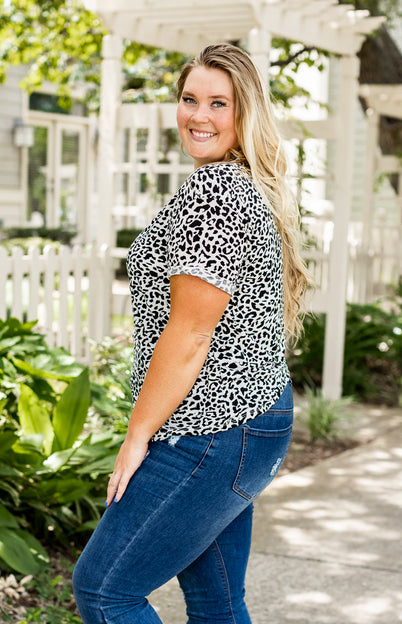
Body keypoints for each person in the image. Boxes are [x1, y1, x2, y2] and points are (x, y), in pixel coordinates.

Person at [73, 42, 311, 624]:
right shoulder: (238, 185)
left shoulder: (216, 193)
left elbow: (190, 337)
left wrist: (136, 439)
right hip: (248, 420)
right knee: (218, 601)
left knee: (105, 591)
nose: (198, 116)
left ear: (245, 113)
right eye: (189, 99)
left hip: (212, 428)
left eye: (218, 103)